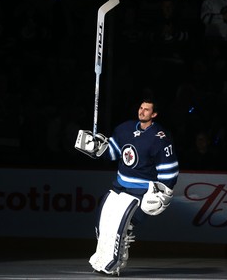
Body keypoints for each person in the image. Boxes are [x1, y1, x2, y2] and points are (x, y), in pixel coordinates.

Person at [74, 98, 179, 275]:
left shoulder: (160, 138)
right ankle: (103, 256)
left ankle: (117, 259)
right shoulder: (125, 129)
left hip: (140, 190)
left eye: (147, 110)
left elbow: (169, 170)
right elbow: (113, 152)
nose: (142, 111)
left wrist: (165, 192)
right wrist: (96, 147)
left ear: (154, 114)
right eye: (140, 107)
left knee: (122, 226)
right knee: (105, 221)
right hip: (119, 185)